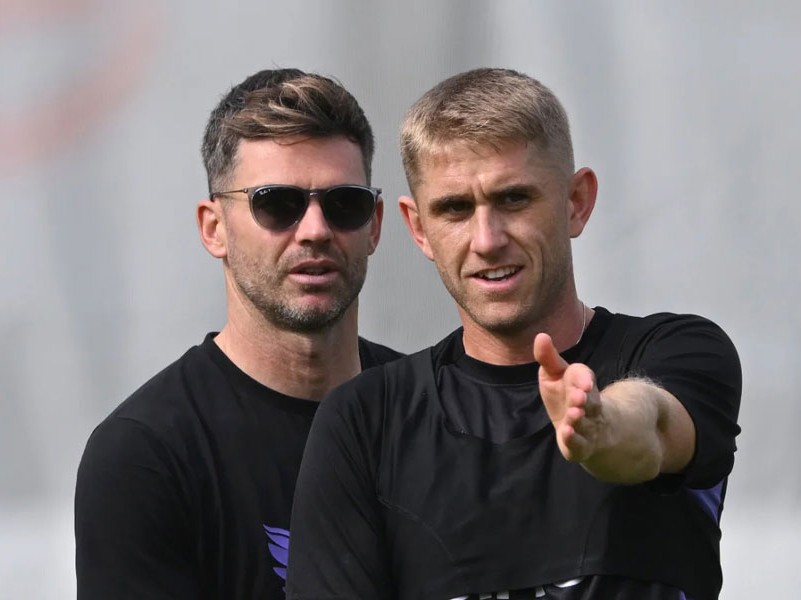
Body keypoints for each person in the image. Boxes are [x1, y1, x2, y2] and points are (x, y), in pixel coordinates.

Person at [285, 67, 742, 600]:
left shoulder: (679, 350)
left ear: (576, 202)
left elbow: (655, 425)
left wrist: (604, 427)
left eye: (514, 199)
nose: (487, 240)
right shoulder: (366, 420)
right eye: (455, 209)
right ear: (419, 228)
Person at [74, 68, 402, 599]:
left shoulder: (435, 410)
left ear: (376, 224)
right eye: (277, 203)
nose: (315, 230)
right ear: (214, 228)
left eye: (344, 203)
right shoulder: (145, 454)